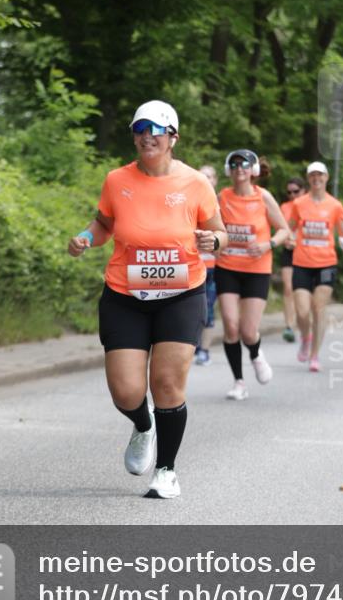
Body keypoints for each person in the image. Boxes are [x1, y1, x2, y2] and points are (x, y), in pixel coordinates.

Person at [68, 100, 227, 499]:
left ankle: (167, 471)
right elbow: (104, 223)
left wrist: (215, 240)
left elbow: (219, 232)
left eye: (155, 130)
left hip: (182, 293)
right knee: (125, 391)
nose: (146, 136)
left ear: (173, 137)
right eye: (139, 129)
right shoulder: (116, 180)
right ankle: (143, 426)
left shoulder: (195, 183)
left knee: (168, 383)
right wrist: (87, 238)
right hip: (125, 294)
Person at [215, 149, 289, 400]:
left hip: (257, 269)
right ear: (229, 170)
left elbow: (284, 231)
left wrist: (268, 245)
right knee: (230, 325)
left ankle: (256, 354)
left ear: (253, 170)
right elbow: (208, 224)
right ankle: (239, 382)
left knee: (248, 331)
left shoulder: (263, 197)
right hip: (227, 267)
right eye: (234, 165)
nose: (239, 169)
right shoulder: (222, 197)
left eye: (244, 165)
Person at [286, 162, 343, 372]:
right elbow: (289, 229)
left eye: (320, 175)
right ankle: (306, 337)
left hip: (326, 263)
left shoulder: (335, 205)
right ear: (309, 180)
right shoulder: (299, 204)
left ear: (326, 178)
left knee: (319, 308)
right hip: (302, 262)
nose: (316, 178)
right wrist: (289, 239)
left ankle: (315, 355)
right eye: (312, 175)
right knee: (301, 311)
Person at [194, 164, 219, 365]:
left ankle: (204, 350)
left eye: (209, 176)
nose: (205, 180)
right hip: (189, 268)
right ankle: (192, 345)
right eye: (202, 176)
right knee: (190, 309)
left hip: (212, 268)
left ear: (215, 180)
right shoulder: (186, 200)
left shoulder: (221, 205)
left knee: (208, 308)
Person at [280, 176, 306, 343]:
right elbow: (282, 228)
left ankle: (302, 323)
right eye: (289, 192)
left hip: (306, 253)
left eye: (296, 191)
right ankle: (289, 325)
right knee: (288, 288)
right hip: (289, 251)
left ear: (303, 191)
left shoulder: (309, 205)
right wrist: (286, 240)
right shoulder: (285, 206)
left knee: (302, 291)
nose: (292, 195)